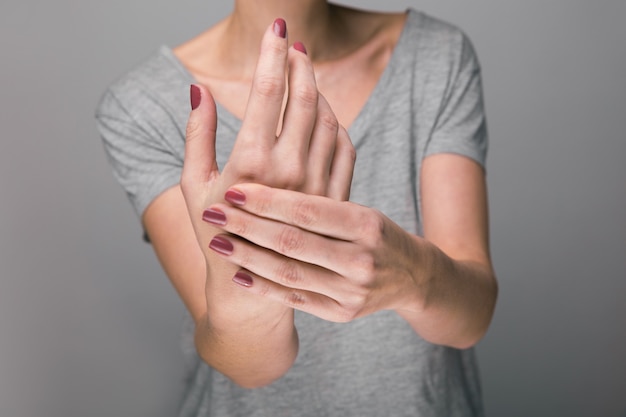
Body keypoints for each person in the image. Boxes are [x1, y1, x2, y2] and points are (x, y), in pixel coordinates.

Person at [96, 1, 498, 416]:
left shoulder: (436, 53)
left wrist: (413, 272)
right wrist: (247, 299)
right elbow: (251, 369)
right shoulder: (142, 105)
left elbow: (472, 316)